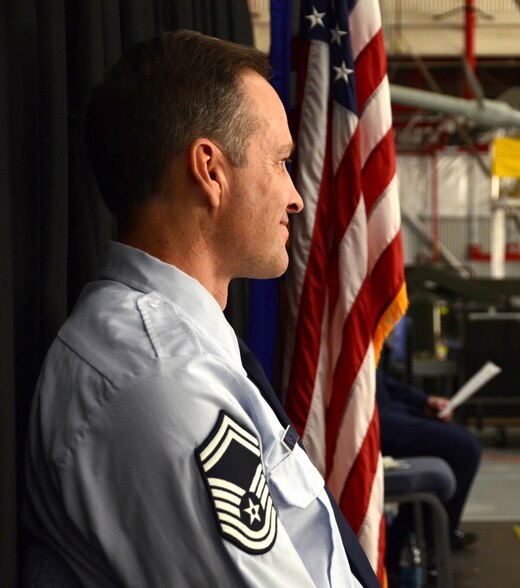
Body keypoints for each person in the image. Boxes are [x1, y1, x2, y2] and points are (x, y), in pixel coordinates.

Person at [22, 30, 378, 587]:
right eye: (281, 162)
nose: (296, 196)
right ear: (210, 171)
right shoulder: (160, 381)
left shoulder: (178, 351)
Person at [376, 345, 481, 559]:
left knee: (462, 441)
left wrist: (423, 402)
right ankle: (405, 544)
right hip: (373, 421)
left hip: (388, 408)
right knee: (464, 448)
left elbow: (384, 381)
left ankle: (431, 536)